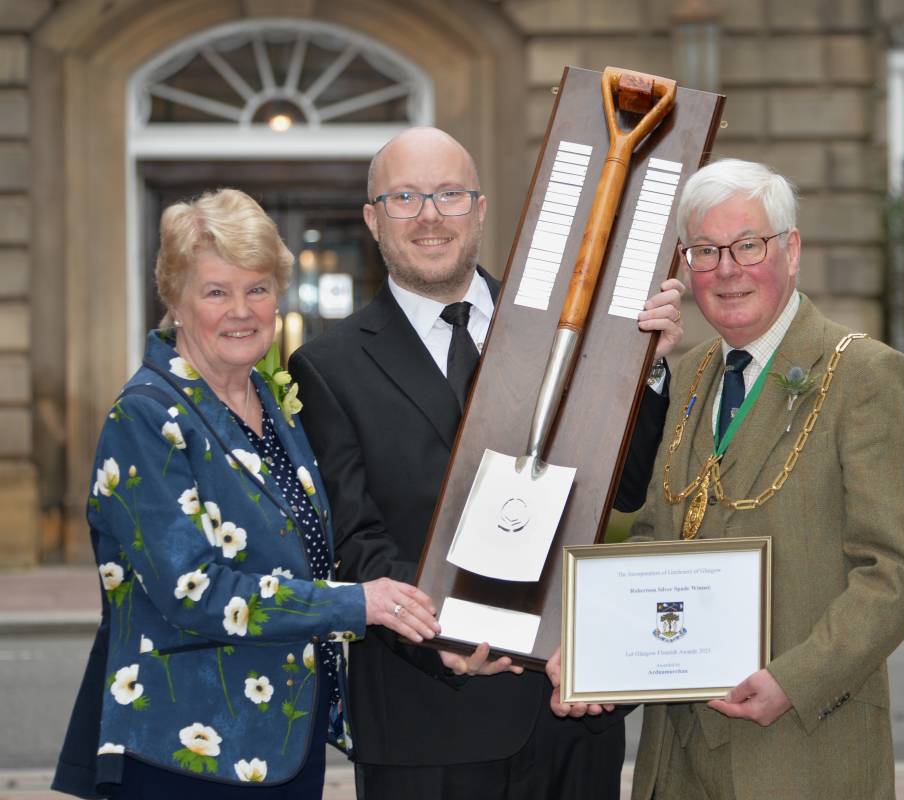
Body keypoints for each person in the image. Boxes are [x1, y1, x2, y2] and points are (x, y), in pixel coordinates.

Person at [287, 126, 684, 800]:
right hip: (426, 722)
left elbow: (626, 489)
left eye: (448, 194)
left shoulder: (568, 327)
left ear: (479, 208)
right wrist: (439, 637)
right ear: (372, 220)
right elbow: (356, 539)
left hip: (569, 713)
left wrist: (644, 368)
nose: (429, 216)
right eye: (404, 197)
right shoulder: (327, 367)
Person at [551, 158, 904, 799]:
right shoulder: (688, 374)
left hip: (803, 753)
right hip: (678, 761)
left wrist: (796, 680)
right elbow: (654, 539)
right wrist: (598, 649)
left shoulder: (866, 374)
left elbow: (898, 572)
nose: (727, 269)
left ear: (792, 250)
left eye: (748, 245)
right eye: (705, 251)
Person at [52, 188, 440, 799]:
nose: (241, 310)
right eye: (216, 292)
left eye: (257, 288)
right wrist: (356, 603)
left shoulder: (271, 403)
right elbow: (193, 590)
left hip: (282, 742)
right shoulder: (146, 417)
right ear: (175, 302)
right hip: (187, 751)